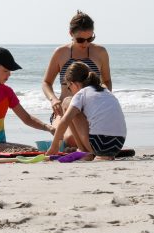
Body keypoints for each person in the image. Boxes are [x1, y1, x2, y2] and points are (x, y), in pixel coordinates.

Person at [42, 10, 112, 146]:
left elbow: (107, 81)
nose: (85, 43)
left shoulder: (101, 52)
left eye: (90, 38)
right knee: (69, 140)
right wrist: (53, 99)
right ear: (71, 34)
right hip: (65, 108)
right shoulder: (60, 53)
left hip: (92, 108)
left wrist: (104, 98)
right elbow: (46, 82)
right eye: (81, 39)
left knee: (88, 139)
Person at [46, 61, 126, 159]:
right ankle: (97, 153)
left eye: (69, 87)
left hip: (100, 145)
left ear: (73, 84)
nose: (69, 90)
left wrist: (54, 146)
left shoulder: (82, 93)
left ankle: (84, 151)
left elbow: (64, 121)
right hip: (117, 145)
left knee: (67, 102)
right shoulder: (105, 91)